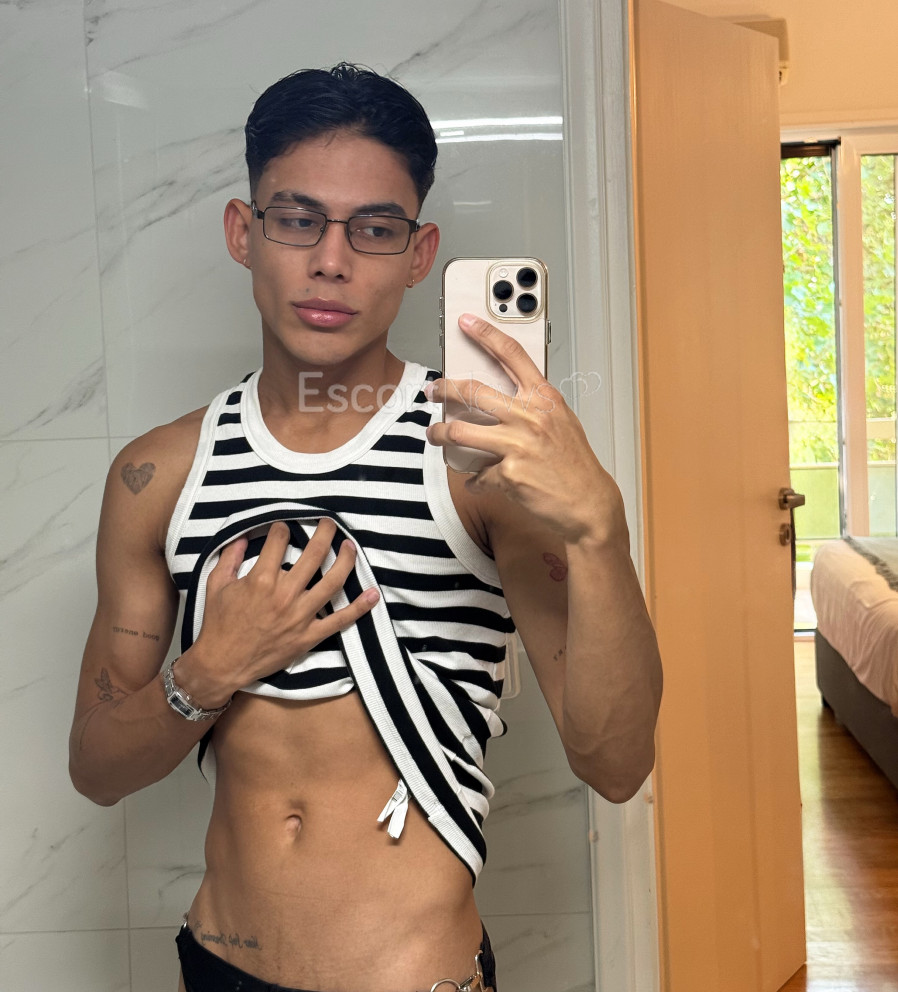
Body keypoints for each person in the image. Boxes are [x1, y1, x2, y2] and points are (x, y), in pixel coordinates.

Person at [68, 63, 663, 992]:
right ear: (243, 231)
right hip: (216, 967)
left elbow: (617, 765)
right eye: (298, 219)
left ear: (420, 254)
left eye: (375, 229)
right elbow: (97, 768)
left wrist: (601, 536)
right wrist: (209, 670)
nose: (332, 261)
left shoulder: (481, 464)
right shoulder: (158, 476)